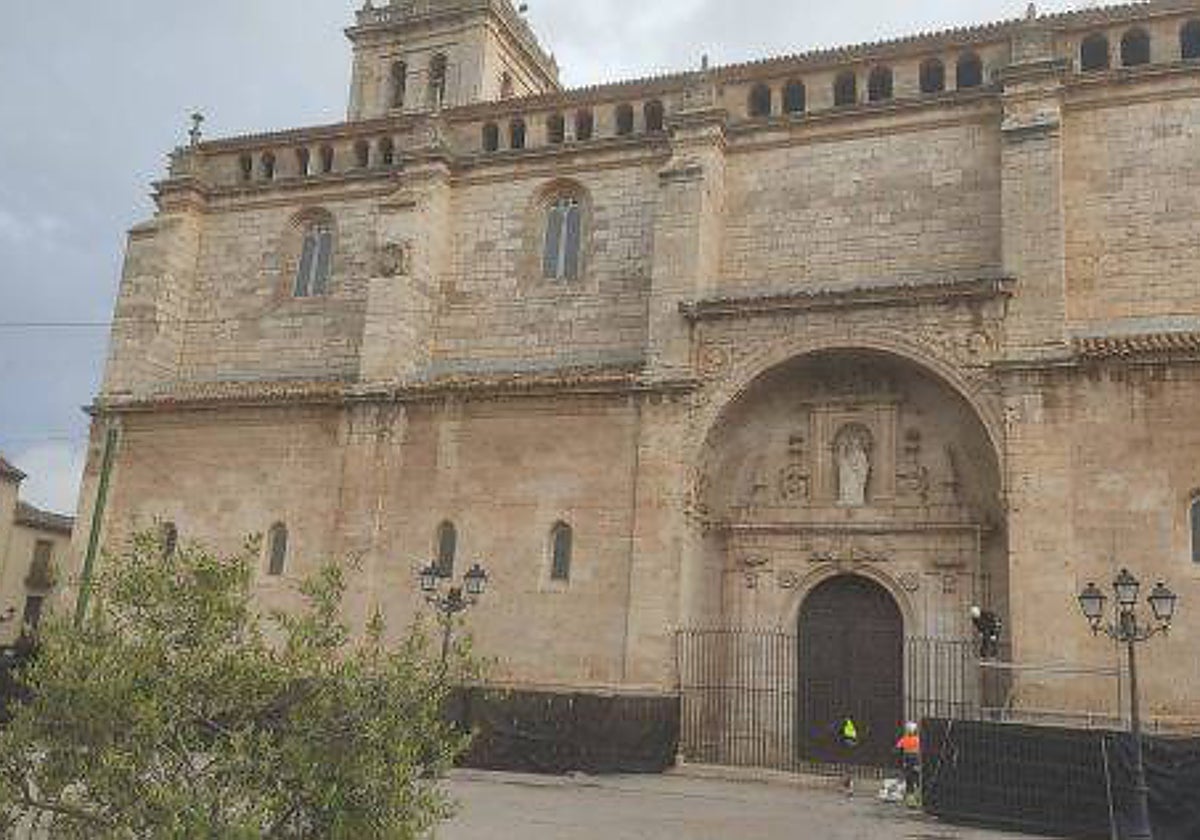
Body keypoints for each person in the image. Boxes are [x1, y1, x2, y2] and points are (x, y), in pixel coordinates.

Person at [895, 721, 921, 807]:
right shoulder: (918, 740)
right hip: (916, 761)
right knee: (917, 780)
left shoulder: (904, 739)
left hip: (907, 761)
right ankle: (918, 799)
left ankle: (910, 800)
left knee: (909, 781)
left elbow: (898, 748)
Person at [837, 716, 860, 796]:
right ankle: (848, 787)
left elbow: (840, 732)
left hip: (849, 744)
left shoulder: (846, 723)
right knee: (848, 768)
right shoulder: (851, 724)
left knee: (848, 768)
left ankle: (849, 788)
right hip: (851, 744)